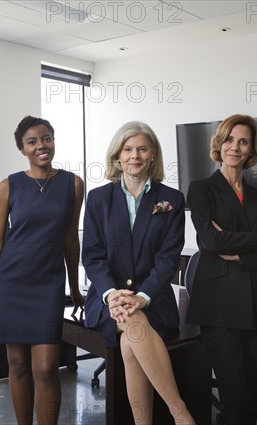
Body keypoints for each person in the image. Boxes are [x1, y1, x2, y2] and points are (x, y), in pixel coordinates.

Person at [82, 121, 195, 425]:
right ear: (117, 156)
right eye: (128, 149)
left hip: (153, 298)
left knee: (131, 341)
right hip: (106, 299)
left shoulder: (171, 199)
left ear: (153, 155)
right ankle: (180, 413)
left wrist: (142, 297)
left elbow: (168, 259)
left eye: (142, 149)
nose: (135, 155)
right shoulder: (97, 199)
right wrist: (111, 294)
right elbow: (92, 256)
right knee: (132, 325)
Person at [0, 116, 84, 425]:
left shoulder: (72, 184)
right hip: (10, 284)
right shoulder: (9, 185)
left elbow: (70, 239)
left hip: (49, 285)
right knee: (18, 365)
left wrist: (75, 288)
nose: (41, 146)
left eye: (46, 138)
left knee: (46, 367)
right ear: (22, 149)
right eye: (32, 142)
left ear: (54, 140)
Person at [185, 114, 257, 425]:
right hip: (219, 306)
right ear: (219, 144)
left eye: (243, 141)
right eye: (229, 139)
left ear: (251, 149)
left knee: (252, 393)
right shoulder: (201, 190)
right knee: (234, 393)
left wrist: (242, 255)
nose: (235, 146)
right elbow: (213, 241)